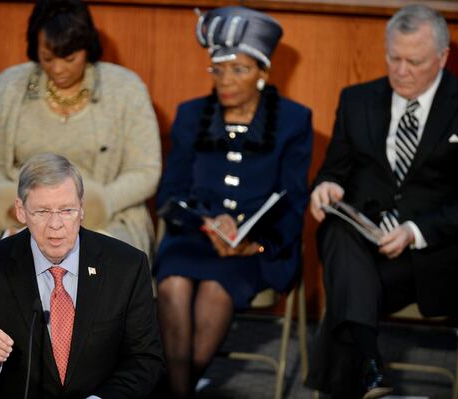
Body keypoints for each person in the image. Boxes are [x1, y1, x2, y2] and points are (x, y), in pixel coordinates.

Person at [305, 4, 458, 398]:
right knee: (338, 228)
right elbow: (334, 170)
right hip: (361, 242)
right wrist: (326, 187)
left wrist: (415, 231)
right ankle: (371, 367)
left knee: (347, 294)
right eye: (393, 57)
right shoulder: (357, 100)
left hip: (425, 257)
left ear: (442, 57)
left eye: (414, 61)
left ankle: (366, 365)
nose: (401, 70)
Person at [154, 6, 312, 398]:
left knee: (214, 289)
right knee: (172, 284)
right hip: (194, 236)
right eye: (218, 69)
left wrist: (254, 243)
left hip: (258, 248)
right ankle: (180, 392)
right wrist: (206, 222)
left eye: (239, 69)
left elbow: (293, 204)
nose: (226, 80)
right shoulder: (192, 115)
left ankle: (173, 391)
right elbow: (170, 192)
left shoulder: (293, 121)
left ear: (263, 72)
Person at [0, 153, 163, 398]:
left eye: (66, 210)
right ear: (21, 211)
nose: (55, 224)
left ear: (81, 208)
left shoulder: (127, 267)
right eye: (42, 212)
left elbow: (146, 360)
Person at [0, 0, 161, 255]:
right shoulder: (7, 88)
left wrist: (95, 206)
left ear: (87, 48)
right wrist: (20, 208)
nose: (58, 69)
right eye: (47, 58)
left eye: (70, 58)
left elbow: (144, 171)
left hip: (108, 218)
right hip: (22, 216)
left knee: (101, 270)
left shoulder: (126, 89)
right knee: (11, 264)